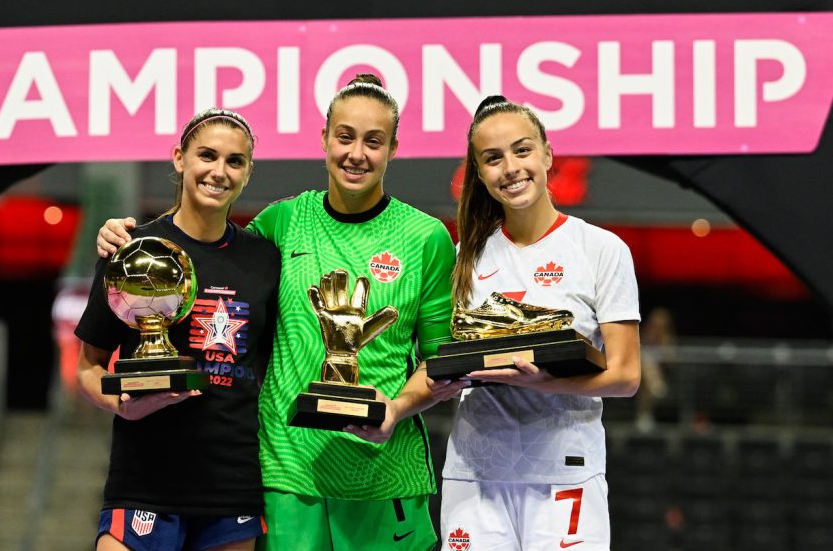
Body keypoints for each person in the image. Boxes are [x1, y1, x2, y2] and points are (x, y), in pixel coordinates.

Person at [96, 74, 456, 551]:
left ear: (393, 147)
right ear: (325, 138)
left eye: (374, 141)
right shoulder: (279, 224)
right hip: (287, 474)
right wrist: (129, 242)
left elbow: (441, 361)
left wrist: (397, 408)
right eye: (345, 137)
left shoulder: (426, 237)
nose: (356, 153)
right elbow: (199, 252)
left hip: (386, 475)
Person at [429, 96, 641, 551]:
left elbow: (625, 376)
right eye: (493, 158)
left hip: (565, 472)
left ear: (547, 154)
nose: (510, 167)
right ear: (479, 173)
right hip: (475, 472)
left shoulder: (602, 249)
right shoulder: (465, 254)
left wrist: (543, 383)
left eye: (522, 150)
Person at [76, 108, 281, 551]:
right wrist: (121, 406)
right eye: (207, 155)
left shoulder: (265, 260)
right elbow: (88, 368)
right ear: (179, 158)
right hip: (143, 478)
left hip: (232, 485)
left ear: (247, 172)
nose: (219, 172)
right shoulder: (130, 251)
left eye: (234, 161)